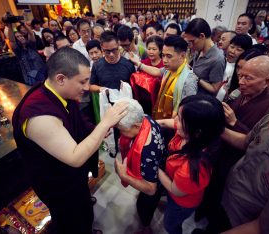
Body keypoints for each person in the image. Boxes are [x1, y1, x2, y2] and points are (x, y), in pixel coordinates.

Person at [12, 47, 128, 234]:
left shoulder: (60, 92)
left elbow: (77, 122)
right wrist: (104, 124)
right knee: (69, 220)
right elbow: (74, 157)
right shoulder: (39, 116)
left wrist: (94, 130)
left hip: (73, 176)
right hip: (57, 182)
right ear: (60, 78)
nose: (86, 87)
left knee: (83, 209)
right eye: (82, 81)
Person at [197, 56, 269, 234]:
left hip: (236, 163)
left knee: (220, 199)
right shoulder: (239, 94)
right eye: (240, 76)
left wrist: (234, 122)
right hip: (218, 152)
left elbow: (254, 143)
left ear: (268, 81)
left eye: (248, 78)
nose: (241, 82)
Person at [220, 85, 269, 234]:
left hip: (239, 224)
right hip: (224, 198)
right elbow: (245, 142)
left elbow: (261, 227)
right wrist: (214, 128)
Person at [157, 95, 226, 234]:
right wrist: (146, 122)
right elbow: (164, 123)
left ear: (197, 131)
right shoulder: (193, 132)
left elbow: (174, 189)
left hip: (181, 203)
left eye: (180, 119)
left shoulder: (192, 168)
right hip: (174, 190)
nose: (175, 121)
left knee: (170, 224)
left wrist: (155, 167)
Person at [114, 98, 166, 234]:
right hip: (159, 166)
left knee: (144, 206)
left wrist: (123, 175)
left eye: (122, 130)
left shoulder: (146, 150)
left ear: (136, 126)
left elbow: (150, 189)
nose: (121, 133)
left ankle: (146, 227)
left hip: (154, 181)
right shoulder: (145, 117)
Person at [130, 35, 198, 119]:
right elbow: (158, 71)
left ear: (182, 56)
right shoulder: (169, 69)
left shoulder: (189, 80)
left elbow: (188, 113)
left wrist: (161, 123)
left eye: (169, 56)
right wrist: (139, 64)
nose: (164, 60)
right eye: (163, 55)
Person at [185, 18, 225, 96]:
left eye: (192, 41)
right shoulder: (199, 50)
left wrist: (196, 78)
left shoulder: (217, 59)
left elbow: (214, 89)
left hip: (202, 100)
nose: (191, 45)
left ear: (202, 36)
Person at [7, 21, 46, 85]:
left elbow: (31, 34)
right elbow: (11, 40)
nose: (20, 37)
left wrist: (23, 24)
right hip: (31, 77)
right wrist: (9, 24)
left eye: (21, 36)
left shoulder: (31, 45)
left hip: (42, 72)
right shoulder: (18, 51)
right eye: (17, 37)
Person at [216, 34, 252, 101]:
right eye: (232, 47)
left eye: (238, 49)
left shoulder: (241, 70)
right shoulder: (219, 60)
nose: (232, 51)